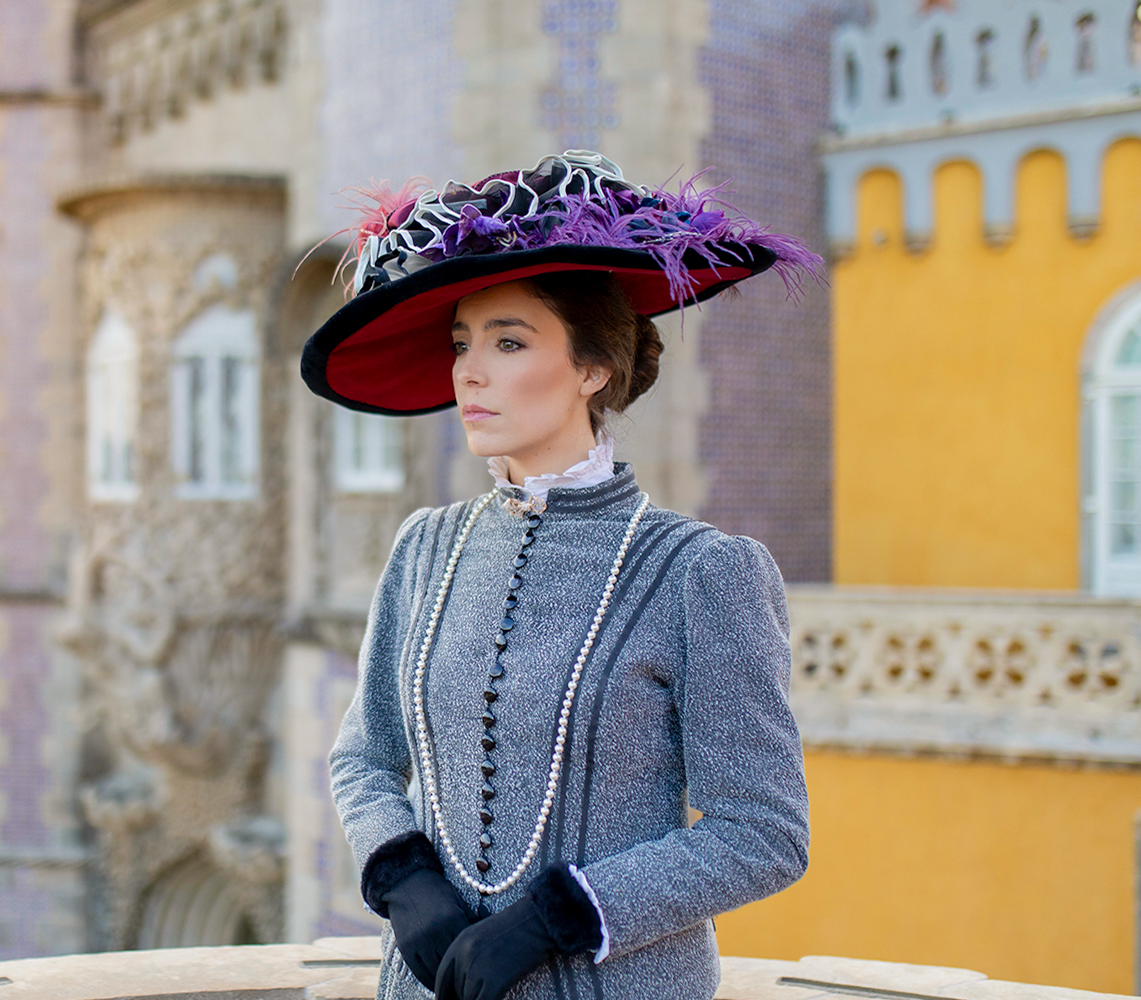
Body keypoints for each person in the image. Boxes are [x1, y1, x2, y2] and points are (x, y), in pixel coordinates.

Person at [301, 152, 823, 1000]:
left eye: (508, 342)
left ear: (592, 368)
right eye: (462, 344)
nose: (470, 371)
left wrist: (560, 917)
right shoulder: (424, 547)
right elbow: (363, 758)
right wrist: (402, 878)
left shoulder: (703, 574)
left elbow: (762, 832)